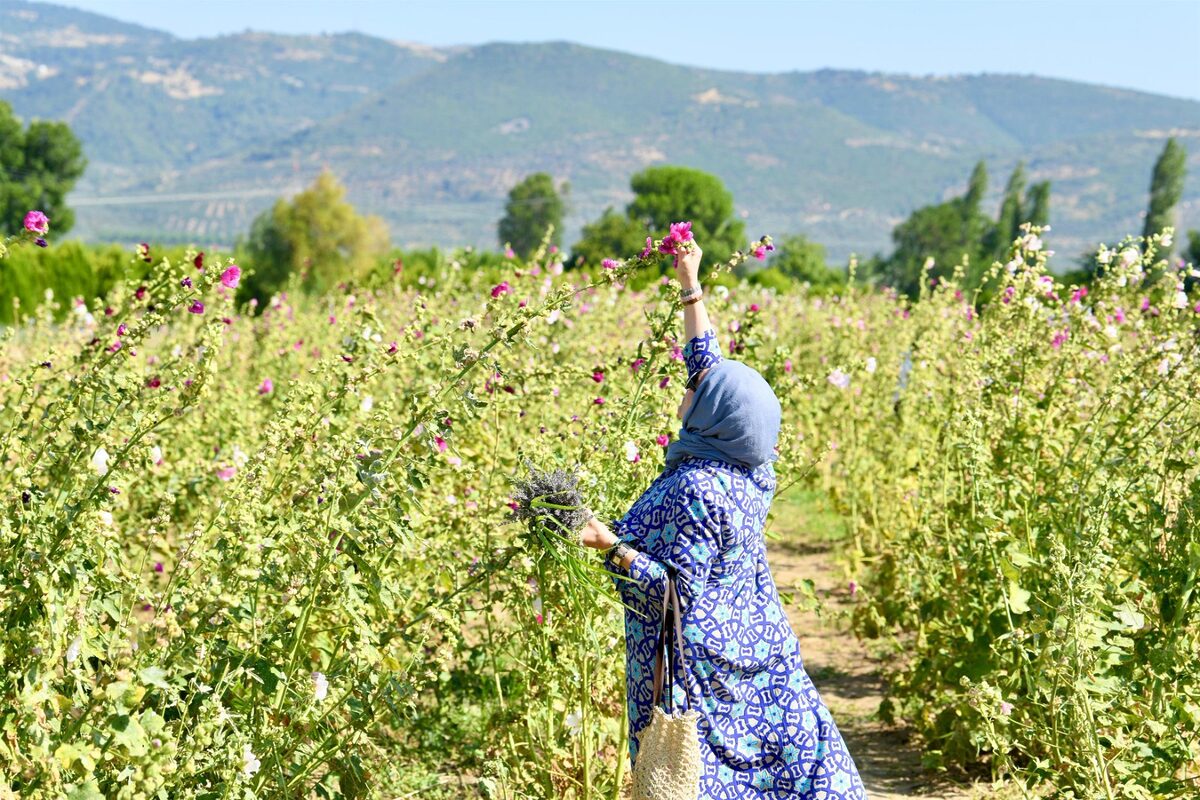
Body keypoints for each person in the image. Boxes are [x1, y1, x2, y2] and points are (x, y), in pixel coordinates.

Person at [580, 241, 867, 799]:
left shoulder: (695, 488)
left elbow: (672, 592)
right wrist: (690, 281)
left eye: (696, 390)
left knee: (704, 777)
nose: (688, 388)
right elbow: (707, 363)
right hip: (759, 646)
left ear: (714, 414)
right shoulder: (754, 467)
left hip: (702, 668)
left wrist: (607, 543)